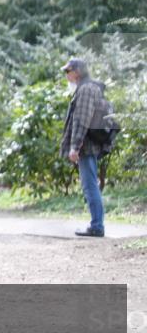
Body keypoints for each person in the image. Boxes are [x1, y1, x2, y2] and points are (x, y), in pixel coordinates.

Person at [60, 58, 108, 237]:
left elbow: (82, 120)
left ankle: (97, 226)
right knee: (90, 184)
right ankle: (97, 224)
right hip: (88, 145)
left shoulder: (86, 89)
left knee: (89, 185)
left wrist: (75, 146)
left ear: (77, 72)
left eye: (68, 71)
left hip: (86, 146)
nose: (67, 75)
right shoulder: (87, 88)